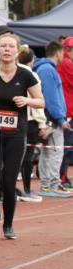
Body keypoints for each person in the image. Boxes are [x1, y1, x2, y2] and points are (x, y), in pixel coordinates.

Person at [0, 32, 45, 238]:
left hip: (15, 134)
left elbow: (41, 101)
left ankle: (8, 225)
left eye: (10, 47)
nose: (6, 50)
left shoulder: (26, 75)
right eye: (3, 46)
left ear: (17, 51)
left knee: (8, 181)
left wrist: (27, 101)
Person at [34, 41, 71, 197]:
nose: (64, 55)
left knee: (48, 152)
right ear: (58, 52)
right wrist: (60, 118)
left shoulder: (45, 69)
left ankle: (47, 185)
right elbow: (51, 98)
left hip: (47, 118)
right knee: (55, 152)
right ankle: (52, 185)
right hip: (52, 119)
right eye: (63, 52)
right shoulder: (48, 70)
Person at [15, 47, 46, 203]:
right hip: (30, 120)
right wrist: (42, 123)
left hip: (15, 119)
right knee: (27, 156)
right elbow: (38, 100)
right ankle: (26, 189)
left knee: (12, 156)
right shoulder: (32, 75)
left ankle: (11, 189)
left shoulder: (13, 72)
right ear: (31, 60)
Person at [56, 36, 73, 188]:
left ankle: (63, 177)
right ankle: (62, 178)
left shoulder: (66, 62)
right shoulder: (67, 63)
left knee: (67, 146)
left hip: (68, 108)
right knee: (66, 146)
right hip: (68, 110)